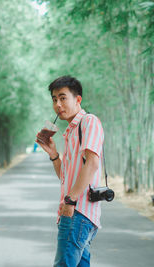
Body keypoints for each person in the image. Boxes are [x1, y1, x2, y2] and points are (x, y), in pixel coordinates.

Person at [36, 76, 104, 267]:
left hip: (78, 211)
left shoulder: (89, 122)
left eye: (63, 98)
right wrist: (53, 154)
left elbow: (92, 164)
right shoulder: (71, 132)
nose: (58, 104)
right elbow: (65, 176)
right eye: (54, 99)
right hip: (75, 211)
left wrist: (70, 200)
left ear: (78, 100)